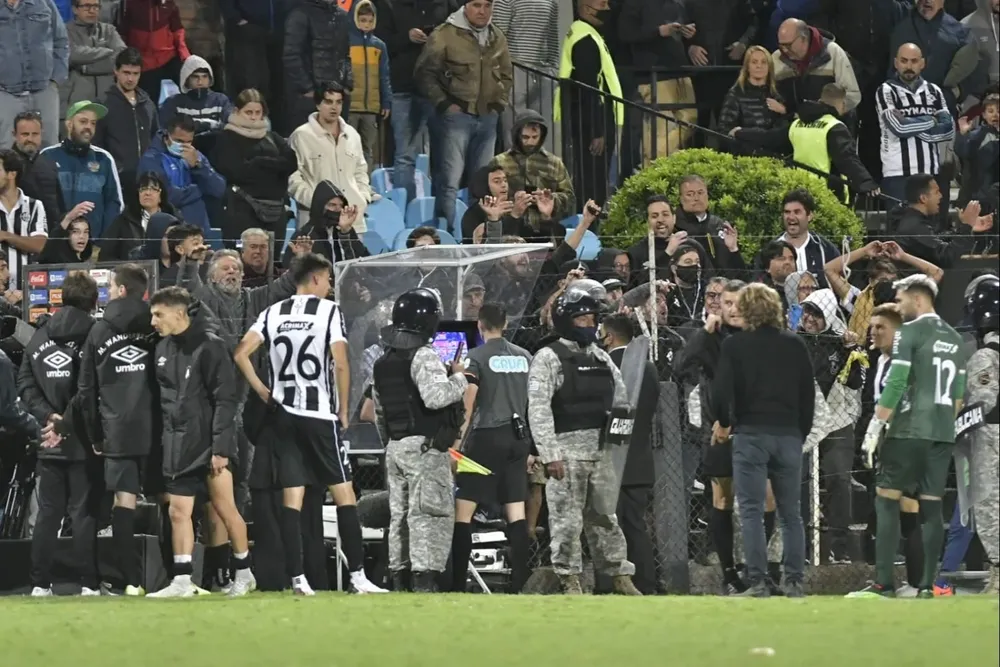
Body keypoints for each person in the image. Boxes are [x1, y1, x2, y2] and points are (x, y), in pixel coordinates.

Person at [233, 253, 386, 595]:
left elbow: (240, 352)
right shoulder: (329, 311)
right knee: (344, 493)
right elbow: (341, 362)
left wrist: (262, 390)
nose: (330, 287)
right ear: (315, 279)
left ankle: (298, 578)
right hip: (319, 415)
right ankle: (358, 576)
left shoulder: (273, 312)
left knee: (292, 497)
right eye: (329, 280)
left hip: (283, 415)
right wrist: (344, 409)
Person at [854, 274, 967, 598]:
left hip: (908, 431)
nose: (899, 306)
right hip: (942, 432)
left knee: (887, 502)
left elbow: (898, 381)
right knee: (930, 508)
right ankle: (927, 587)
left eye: (902, 300)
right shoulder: (955, 338)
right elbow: (958, 397)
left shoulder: (909, 333)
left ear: (918, 300)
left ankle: (884, 584)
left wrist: (876, 427)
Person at [527, 278, 641, 596]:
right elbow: (538, 409)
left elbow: (622, 402)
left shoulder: (601, 357)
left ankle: (619, 575)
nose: (589, 325)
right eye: (582, 319)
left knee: (605, 517)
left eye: (593, 320)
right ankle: (569, 578)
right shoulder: (548, 357)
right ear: (566, 320)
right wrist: (550, 455)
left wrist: (617, 448)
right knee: (566, 521)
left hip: (602, 453)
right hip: (565, 453)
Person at [146, 286, 255, 598]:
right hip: (178, 445)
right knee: (178, 511)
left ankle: (244, 573)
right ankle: (182, 581)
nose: (153, 321)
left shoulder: (211, 346)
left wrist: (221, 448)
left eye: (158, 314)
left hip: (209, 446)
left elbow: (226, 400)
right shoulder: (162, 349)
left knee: (225, 509)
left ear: (179, 313)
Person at [712, 282, 815, 597]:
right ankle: (794, 581)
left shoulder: (734, 346)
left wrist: (726, 423)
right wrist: (801, 430)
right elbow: (807, 393)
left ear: (746, 309)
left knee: (752, 511)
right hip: (788, 434)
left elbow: (721, 392)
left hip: (751, 434)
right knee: (791, 513)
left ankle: (757, 582)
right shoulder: (795, 344)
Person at [371, 287, 467, 592]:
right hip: (424, 449)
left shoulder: (382, 361)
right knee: (428, 513)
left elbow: (380, 413)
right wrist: (461, 377)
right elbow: (436, 397)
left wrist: (392, 443)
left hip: (395, 448)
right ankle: (424, 579)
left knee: (399, 517)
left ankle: (399, 576)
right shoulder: (424, 356)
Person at [77, 263, 159, 596]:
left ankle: (131, 582)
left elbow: (86, 389)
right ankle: (176, 576)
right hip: (158, 428)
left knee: (124, 501)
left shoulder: (99, 331)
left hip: (117, 429)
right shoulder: (157, 325)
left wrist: (95, 433)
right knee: (172, 501)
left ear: (122, 290)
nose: (109, 292)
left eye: (111, 287)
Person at [19, 272, 100, 597]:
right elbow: (88, 389)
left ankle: (39, 584)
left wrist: (48, 418)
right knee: (83, 514)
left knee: (48, 514)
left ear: (63, 297)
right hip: (82, 439)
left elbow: (25, 384)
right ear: (94, 302)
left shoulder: (39, 337)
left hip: (49, 439)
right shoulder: (95, 334)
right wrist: (64, 421)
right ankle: (89, 585)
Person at [450, 302, 533, 593]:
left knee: (464, 511)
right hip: (519, 438)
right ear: (506, 323)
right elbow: (533, 403)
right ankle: (521, 585)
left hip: (486, 439)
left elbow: (468, 403)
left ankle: (456, 583)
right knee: (516, 512)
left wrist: (456, 445)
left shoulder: (475, 358)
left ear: (479, 325)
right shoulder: (525, 357)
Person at [415, 0, 513, 231]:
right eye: (477, 5)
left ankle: (478, 232)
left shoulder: (496, 36)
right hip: (455, 116)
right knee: (449, 180)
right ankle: (449, 234)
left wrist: (499, 103)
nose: (483, 11)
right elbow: (424, 73)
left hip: (488, 116)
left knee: (482, 183)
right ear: (465, 7)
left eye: (488, 5)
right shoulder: (445, 35)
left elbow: (507, 74)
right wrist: (445, 104)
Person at [862, 303, 925, 596]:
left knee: (893, 507)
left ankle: (887, 583)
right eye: (872, 326)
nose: (873, 331)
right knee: (906, 508)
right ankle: (915, 583)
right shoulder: (884, 360)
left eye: (880, 327)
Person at [599, 312, 660, 595]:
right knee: (636, 526)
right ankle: (646, 583)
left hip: (610, 460)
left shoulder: (604, 366)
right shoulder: (649, 369)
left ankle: (607, 584)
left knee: (606, 526)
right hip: (640, 460)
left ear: (608, 336)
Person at [955, 274, 999, 593]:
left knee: (988, 507)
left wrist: (955, 424)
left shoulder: (984, 357)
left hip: (990, 443)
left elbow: (985, 404)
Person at [555, 0, 622, 204]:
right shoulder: (585, 39)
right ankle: (591, 230)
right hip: (592, 123)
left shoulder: (583, 33)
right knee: (593, 182)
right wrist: (597, 131)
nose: (607, 9)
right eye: (602, 4)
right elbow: (589, 89)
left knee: (591, 179)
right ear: (585, 8)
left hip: (588, 120)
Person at [212, 89, 297, 246]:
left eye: (258, 112)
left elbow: (291, 163)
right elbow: (237, 171)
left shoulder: (273, 137)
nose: (253, 117)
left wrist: (259, 162)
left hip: (275, 211)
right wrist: (274, 167)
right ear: (237, 111)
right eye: (248, 112)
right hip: (241, 211)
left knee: (273, 263)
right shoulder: (226, 138)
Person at [875, 43, 955, 204]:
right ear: (896, 63)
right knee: (900, 226)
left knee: (929, 227)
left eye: (914, 61)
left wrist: (910, 123)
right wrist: (931, 120)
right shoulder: (886, 90)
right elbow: (899, 127)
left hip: (929, 172)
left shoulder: (934, 91)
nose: (909, 66)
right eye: (904, 61)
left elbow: (948, 130)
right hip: (897, 173)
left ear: (922, 63)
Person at [288, 83, 373, 229]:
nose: (334, 107)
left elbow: (360, 171)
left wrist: (363, 197)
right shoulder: (301, 136)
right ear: (318, 104)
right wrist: (316, 202)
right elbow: (293, 177)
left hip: (352, 220)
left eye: (338, 102)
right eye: (328, 102)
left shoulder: (352, 135)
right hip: (315, 221)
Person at [40, 101, 125, 239]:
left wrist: (104, 241)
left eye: (93, 123)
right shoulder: (47, 156)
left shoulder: (104, 158)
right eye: (83, 121)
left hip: (94, 245)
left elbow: (114, 203)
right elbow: (39, 202)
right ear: (69, 124)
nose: (88, 127)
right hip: (55, 242)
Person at [492, 110, 576, 241]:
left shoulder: (554, 163)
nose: (530, 142)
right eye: (525, 137)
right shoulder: (500, 162)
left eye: (535, 137)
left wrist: (549, 199)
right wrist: (514, 202)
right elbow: (489, 195)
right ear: (517, 135)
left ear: (541, 136)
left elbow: (569, 198)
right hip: (509, 229)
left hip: (544, 228)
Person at [136, 114, 226, 234]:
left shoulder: (196, 156)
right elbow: (165, 197)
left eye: (188, 141)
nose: (184, 146)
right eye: (179, 141)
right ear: (167, 135)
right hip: (168, 230)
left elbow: (218, 189)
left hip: (198, 229)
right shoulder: (151, 159)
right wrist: (196, 192)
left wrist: (198, 167)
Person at [788, 83, 879, 201]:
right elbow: (847, 159)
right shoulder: (834, 126)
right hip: (827, 194)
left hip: (798, 191)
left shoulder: (796, 124)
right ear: (843, 104)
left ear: (820, 100)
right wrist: (866, 182)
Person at [0, 0, 69, 150]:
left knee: (49, 147)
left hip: (45, 89)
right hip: (5, 92)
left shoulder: (44, 3)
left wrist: (56, 78)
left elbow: (61, 40)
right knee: (7, 149)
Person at [283, 0, 354, 130]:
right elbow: (291, 56)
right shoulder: (300, 14)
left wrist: (347, 86)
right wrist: (307, 89)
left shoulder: (343, 16)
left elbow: (346, 55)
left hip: (338, 95)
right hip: (311, 97)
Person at [60, 0, 127, 135]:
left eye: (96, 6)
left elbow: (122, 57)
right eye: (86, 6)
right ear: (74, 9)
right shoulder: (64, 31)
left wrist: (86, 68)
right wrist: (107, 51)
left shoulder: (109, 30)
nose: (92, 10)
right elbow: (72, 55)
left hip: (107, 100)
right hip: (75, 101)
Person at [95, 48, 160, 183]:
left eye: (135, 74)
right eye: (126, 73)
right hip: (115, 177)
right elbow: (96, 143)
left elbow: (156, 137)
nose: (130, 79)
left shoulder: (147, 103)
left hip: (146, 177)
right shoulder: (103, 103)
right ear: (116, 71)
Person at [771, 19, 860, 117]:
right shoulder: (776, 58)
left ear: (803, 39)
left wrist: (825, 114)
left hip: (829, 126)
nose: (784, 50)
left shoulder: (833, 52)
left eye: (788, 45)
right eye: (781, 45)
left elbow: (852, 95)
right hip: (791, 127)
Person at [347, 1, 392, 171]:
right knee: (349, 148)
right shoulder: (347, 42)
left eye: (369, 20)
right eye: (362, 19)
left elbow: (384, 76)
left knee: (368, 150)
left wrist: (386, 101)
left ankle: (367, 186)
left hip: (371, 108)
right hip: (351, 106)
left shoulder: (379, 46)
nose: (366, 24)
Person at [159, 55, 233, 156]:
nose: (200, 81)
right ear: (186, 78)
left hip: (217, 156)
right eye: (195, 77)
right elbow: (166, 132)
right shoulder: (173, 103)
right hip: (182, 156)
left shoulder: (220, 100)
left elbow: (229, 125)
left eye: (204, 76)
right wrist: (211, 125)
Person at [118, 0, 191, 102]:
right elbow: (123, 33)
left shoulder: (169, 4)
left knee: (190, 85)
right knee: (148, 104)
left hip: (169, 57)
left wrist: (185, 55)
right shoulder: (130, 4)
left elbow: (177, 30)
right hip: (145, 62)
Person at [100, 171, 177, 261]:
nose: (147, 193)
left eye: (153, 189)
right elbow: (105, 255)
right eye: (143, 189)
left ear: (161, 195)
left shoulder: (174, 219)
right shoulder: (123, 220)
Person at [0, 150, 49, 291]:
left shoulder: (34, 206)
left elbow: (39, 245)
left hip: (27, 289)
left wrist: (6, 236)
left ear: (12, 174)